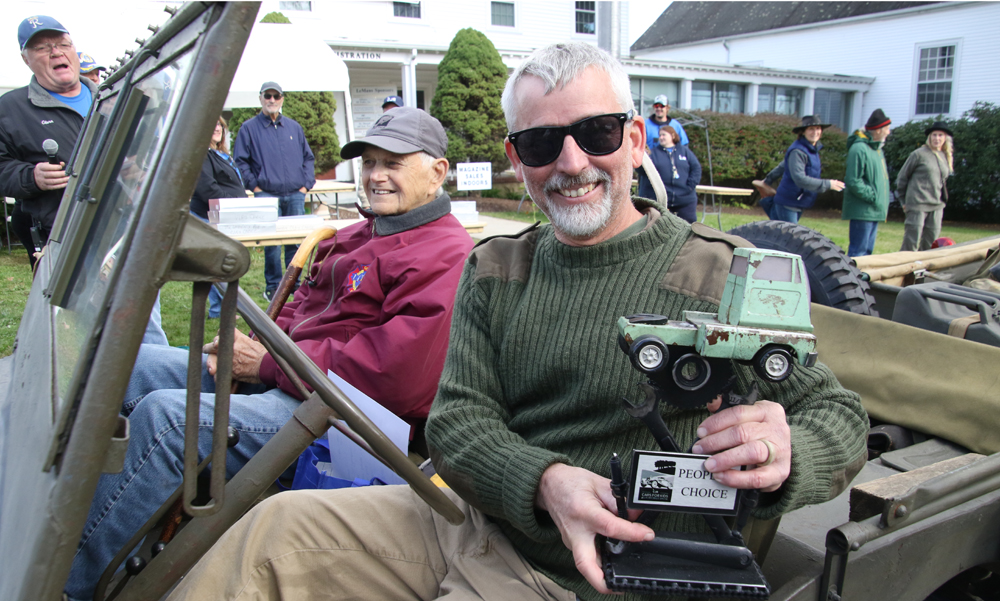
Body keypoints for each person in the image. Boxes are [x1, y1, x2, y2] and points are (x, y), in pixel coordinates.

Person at [166, 42, 868, 601]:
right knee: (269, 535)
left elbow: (836, 415)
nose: (571, 162)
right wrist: (543, 480)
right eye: (541, 143)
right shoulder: (497, 267)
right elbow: (457, 420)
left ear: (633, 140)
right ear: (515, 160)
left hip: (589, 577)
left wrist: (785, 451)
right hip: (476, 524)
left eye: (595, 133)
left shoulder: (725, 272)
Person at [65, 107, 474, 601]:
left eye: (393, 162)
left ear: (438, 171)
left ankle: (67, 582)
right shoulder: (358, 234)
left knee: (173, 421)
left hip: (347, 419)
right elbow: (300, 306)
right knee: (125, 369)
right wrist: (252, 347)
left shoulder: (445, 254)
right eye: (368, 163)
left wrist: (262, 363)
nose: (375, 176)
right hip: (292, 378)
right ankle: (64, 516)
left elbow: (396, 377)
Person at [0, 16, 96, 268]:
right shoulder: (9, 109)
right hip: (61, 236)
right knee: (73, 307)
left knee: (138, 305)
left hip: (128, 227)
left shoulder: (115, 97)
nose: (55, 52)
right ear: (26, 59)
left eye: (63, 44)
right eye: (42, 48)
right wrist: (30, 177)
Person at [233, 81, 315, 302]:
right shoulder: (248, 128)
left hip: (295, 194)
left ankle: (294, 285)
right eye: (267, 96)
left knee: (296, 243)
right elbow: (240, 161)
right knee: (271, 246)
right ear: (260, 98)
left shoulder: (294, 128)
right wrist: (256, 187)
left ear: (282, 99)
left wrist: (306, 185)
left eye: (276, 96)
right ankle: (272, 287)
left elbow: (308, 157)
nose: (271, 100)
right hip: (266, 195)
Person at [191, 116, 247, 318]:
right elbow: (207, 188)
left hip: (227, 217)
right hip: (211, 217)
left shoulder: (220, 154)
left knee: (222, 263)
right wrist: (231, 205)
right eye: (211, 124)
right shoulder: (202, 155)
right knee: (220, 264)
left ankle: (221, 309)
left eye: (219, 125)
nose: (216, 128)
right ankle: (220, 310)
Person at [758, 115, 845, 224]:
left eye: (818, 129)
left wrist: (768, 180)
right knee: (789, 239)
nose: (815, 132)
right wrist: (828, 184)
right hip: (788, 203)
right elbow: (799, 178)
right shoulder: (798, 151)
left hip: (797, 202)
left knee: (782, 237)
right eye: (811, 129)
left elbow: (782, 166)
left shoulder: (812, 149)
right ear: (803, 132)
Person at [897, 121, 954, 252]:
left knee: (931, 242)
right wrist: (903, 201)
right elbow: (902, 178)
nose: (937, 138)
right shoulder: (918, 154)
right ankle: (904, 268)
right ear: (929, 137)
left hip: (937, 206)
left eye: (940, 135)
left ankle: (924, 270)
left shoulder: (944, 156)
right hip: (917, 204)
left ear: (945, 138)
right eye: (934, 135)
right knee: (911, 242)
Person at [842, 109, 892, 257]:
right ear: (878, 130)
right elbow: (853, 180)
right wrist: (873, 196)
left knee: (868, 253)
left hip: (873, 210)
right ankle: (853, 280)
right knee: (858, 252)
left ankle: (863, 280)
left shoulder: (877, 149)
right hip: (863, 211)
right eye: (887, 129)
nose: (888, 133)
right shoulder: (859, 149)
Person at [636, 125, 702, 222]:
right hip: (659, 200)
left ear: (673, 136)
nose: (661, 137)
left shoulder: (685, 152)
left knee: (688, 227)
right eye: (660, 135)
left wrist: (690, 186)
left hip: (684, 199)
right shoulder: (653, 153)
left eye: (664, 135)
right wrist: (642, 159)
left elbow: (696, 168)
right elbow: (642, 171)